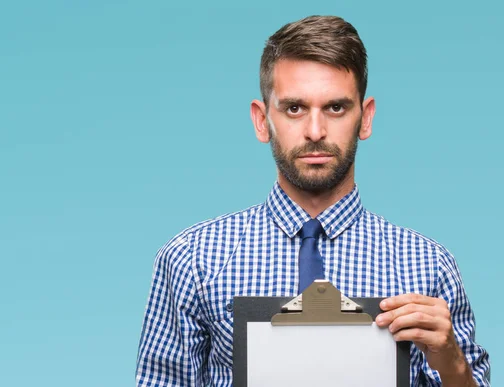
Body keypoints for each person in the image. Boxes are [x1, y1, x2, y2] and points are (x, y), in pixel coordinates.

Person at [135, 15, 490, 386]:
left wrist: (452, 362)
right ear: (261, 120)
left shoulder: (428, 265)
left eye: (335, 108)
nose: (316, 131)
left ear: (365, 119)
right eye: (294, 108)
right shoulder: (192, 259)